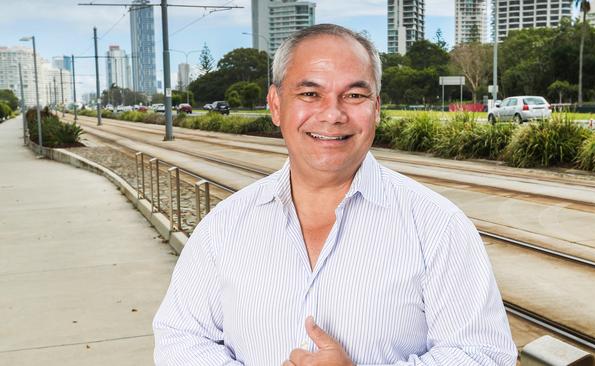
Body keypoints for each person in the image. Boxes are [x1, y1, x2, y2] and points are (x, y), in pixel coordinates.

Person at [153, 24, 517, 366]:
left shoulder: (437, 225)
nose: (333, 114)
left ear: (375, 108)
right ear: (276, 105)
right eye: (310, 94)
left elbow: (482, 353)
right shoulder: (224, 225)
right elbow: (180, 338)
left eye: (355, 95)